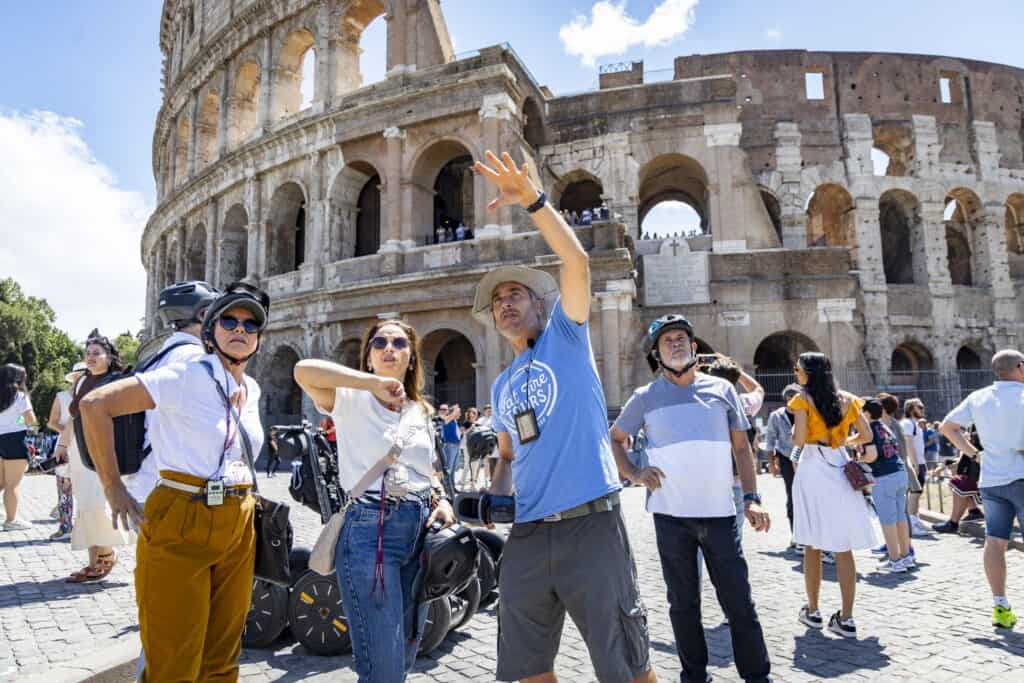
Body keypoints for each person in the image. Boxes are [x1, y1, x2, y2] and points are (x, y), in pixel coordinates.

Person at [471, 151, 655, 683]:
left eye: (516, 294)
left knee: (625, 664)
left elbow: (577, 264)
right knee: (525, 668)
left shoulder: (567, 338)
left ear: (540, 304)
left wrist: (531, 199)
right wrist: (497, 494)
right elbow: (507, 452)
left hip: (590, 524)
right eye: (497, 301)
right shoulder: (502, 384)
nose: (506, 304)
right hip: (527, 534)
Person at [81, 283, 270, 681]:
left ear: (259, 338)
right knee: (174, 660)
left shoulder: (250, 388)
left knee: (223, 656)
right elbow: (96, 405)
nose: (240, 329)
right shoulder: (187, 372)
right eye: (229, 320)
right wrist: (113, 487)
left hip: (238, 517)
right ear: (209, 329)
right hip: (183, 508)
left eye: (251, 324)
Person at [611, 314, 772, 683]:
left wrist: (752, 497)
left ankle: (758, 677)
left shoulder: (722, 390)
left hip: (720, 514)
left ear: (694, 347)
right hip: (671, 519)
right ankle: (694, 676)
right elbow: (615, 439)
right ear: (657, 354)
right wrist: (634, 474)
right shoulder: (643, 398)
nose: (676, 343)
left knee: (740, 604)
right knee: (683, 607)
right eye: (667, 340)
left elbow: (743, 450)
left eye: (682, 337)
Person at [294, 318, 456, 682]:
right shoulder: (350, 398)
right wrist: (372, 382)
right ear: (367, 356)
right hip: (371, 532)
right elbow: (303, 370)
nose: (389, 349)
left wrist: (442, 499)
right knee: (383, 667)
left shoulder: (419, 410)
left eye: (399, 343)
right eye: (379, 342)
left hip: (419, 533)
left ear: (411, 357)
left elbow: (428, 468)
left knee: (405, 653)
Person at [789, 352, 878, 638]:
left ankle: (813, 610)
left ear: (808, 373)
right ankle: (847, 618)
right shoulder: (849, 399)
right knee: (843, 546)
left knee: (812, 544)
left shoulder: (802, 399)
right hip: (840, 463)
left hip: (813, 465)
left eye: (798, 369)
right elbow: (867, 436)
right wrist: (844, 441)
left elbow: (798, 440)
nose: (796, 373)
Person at [939, 349, 1024, 629]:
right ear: (1020, 368)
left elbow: (947, 427)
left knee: (995, 541)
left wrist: (974, 454)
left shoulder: (979, 397)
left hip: (991, 478)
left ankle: (1000, 606)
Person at [125, 280, 219, 508]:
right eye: (219, 317)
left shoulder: (154, 360)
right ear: (204, 314)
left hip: (147, 482)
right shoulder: (197, 361)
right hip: (178, 492)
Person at [63, 334, 133, 582]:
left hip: (103, 448)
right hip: (80, 447)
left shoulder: (117, 381)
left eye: (96, 353)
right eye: (88, 353)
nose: (91, 357)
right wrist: (63, 444)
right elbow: (73, 417)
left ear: (109, 356)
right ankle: (93, 562)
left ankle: (107, 554)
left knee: (96, 504)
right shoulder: (81, 381)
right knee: (85, 505)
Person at [859, 399, 912, 573]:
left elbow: (872, 456)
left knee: (888, 522)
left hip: (884, 477)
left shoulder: (869, 430)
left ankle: (894, 560)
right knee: (900, 518)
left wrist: (858, 460)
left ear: (866, 413)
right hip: (899, 473)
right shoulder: (884, 426)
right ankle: (906, 557)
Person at [46, 364, 84, 541]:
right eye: (80, 375)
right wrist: (69, 432)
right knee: (64, 488)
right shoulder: (61, 397)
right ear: (74, 377)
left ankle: (88, 528)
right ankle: (65, 527)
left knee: (88, 488)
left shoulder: (97, 395)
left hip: (89, 447)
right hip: (65, 446)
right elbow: (52, 422)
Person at [0, 363, 38, 531]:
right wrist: (17, 420)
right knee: (12, 485)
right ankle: (11, 520)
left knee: (1, 483)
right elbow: (30, 420)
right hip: (14, 439)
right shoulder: (19, 396)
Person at [764, 383, 801, 550]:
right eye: (789, 399)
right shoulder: (776, 416)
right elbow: (770, 439)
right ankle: (796, 534)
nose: (791, 402)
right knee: (792, 495)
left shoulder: (806, 413)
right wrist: (771, 463)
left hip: (805, 458)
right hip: (786, 458)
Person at [900, 398, 929, 535]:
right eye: (920, 407)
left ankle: (915, 519)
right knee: (914, 492)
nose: (923, 409)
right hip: (914, 463)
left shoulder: (914, 424)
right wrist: (915, 464)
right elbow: (908, 444)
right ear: (911, 409)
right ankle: (911, 523)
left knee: (917, 492)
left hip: (920, 462)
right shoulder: (907, 423)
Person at [438, 403, 461, 479]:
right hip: (449, 445)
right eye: (441, 409)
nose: (443, 411)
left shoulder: (452, 419)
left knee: (453, 468)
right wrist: (455, 409)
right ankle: (447, 488)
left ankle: (452, 487)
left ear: (448, 411)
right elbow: (448, 418)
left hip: (456, 445)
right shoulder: (443, 418)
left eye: (444, 409)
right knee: (448, 468)